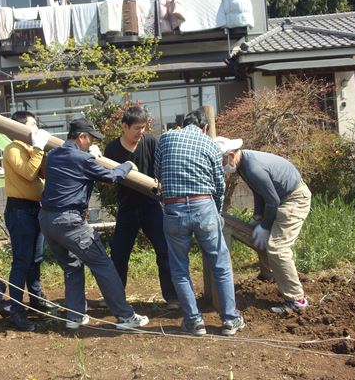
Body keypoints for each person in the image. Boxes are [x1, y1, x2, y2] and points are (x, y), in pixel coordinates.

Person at [39, 117, 150, 331]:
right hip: (70, 222)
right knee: (103, 265)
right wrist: (127, 165)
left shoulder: (53, 155)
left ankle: (75, 316)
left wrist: (90, 156)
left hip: (47, 220)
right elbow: (110, 177)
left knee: (71, 267)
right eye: (90, 139)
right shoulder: (81, 159)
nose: (91, 143)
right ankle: (125, 316)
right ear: (81, 137)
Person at [155, 108, 244, 336]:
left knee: (179, 268)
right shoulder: (211, 144)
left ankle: (194, 322)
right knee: (221, 264)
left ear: (183, 125)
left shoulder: (165, 139)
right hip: (204, 205)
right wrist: (217, 211)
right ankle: (230, 320)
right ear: (205, 127)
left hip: (174, 207)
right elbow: (219, 184)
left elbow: (158, 173)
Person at [215, 137, 311, 314]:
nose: (222, 165)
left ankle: (297, 299)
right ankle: (270, 274)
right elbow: (259, 192)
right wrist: (258, 218)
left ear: (230, 155)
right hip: (281, 199)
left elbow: (272, 201)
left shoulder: (252, 168)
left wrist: (265, 226)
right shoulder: (244, 164)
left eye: (221, 161)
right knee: (260, 237)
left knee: (277, 248)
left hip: (294, 199)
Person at [104, 106, 178, 309]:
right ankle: (116, 297)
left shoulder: (151, 142)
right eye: (136, 128)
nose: (140, 132)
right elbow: (107, 178)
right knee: (119, 253)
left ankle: (172, 296)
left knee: (164, 250)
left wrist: (160, 180)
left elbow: (161, 167)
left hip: (150, 204)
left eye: (143, 128)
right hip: (127, 206)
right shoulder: (112, 149)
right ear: (124, 126)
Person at [2, 111, 55, 331]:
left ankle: (36, 299)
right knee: (22, 261)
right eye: (32, 125)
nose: (36, 129)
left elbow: (42, 173)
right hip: (19, 210)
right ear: (20, 127)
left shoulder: (30, 148)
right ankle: (16, 309)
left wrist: (43, 152)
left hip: (34, 209)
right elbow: (28, 173)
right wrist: (39, 148)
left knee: (36, 259)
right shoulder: (13, 148)